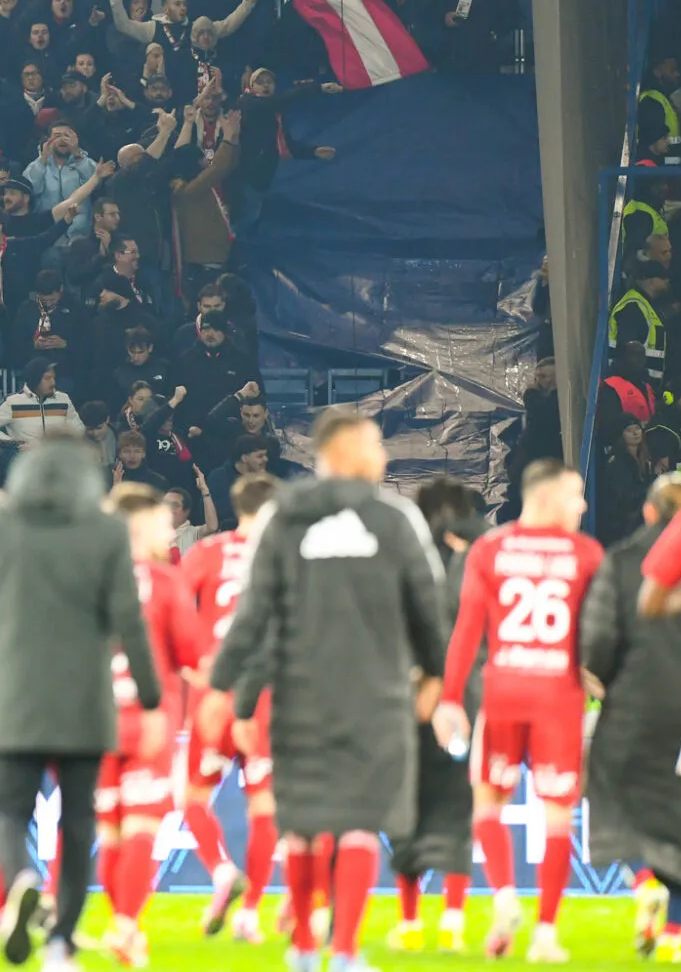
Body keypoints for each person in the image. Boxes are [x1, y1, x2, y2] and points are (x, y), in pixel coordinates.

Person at [201, 409, 451, 972]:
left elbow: (255, 614)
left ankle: (304, 948)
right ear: (341, 451)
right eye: (375, 444)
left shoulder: (283, 516)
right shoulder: (395, 518)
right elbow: (430, 609)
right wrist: (435, 678)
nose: (383, 455)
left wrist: (227, 692)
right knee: (360, 820)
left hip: (299, 695)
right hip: (378, 696)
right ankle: (345, 953)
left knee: (306, 820)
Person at [0, 436, 165, 967]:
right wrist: (151, 701)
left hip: (13, 688)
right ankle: (61, 940)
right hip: (86, 693)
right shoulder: (106, 531)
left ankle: (20, 880)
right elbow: (129, 620)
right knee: (78, 820)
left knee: (9, 809)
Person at [436, 459, 604, 962]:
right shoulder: (586, 552)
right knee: (558, 819)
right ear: (547, 496)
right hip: (559, 697)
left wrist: (449, 699)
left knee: (487, 803)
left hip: (503, 691)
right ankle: (546, 935)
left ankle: (505, 896)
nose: (582, 506)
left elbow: (466, 630)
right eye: (575, 495)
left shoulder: (490, 548)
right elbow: (599, 633)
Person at [586, 473, 681, 962]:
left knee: (614, 795)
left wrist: (603, 683)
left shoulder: (621, 561)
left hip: (636, 708)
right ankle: (678, 930)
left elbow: (598, 644)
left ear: (650, 512)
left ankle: (641, 880)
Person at [97, 483, 208, 967]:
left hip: (92, 717)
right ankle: (125, 925)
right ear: (139, 527)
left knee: (111, 832)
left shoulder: (86, 579)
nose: (170, 530)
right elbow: (193, 656)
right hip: (149, 719)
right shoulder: (163, 582)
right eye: (162, 522)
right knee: (141, 824)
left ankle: (122, 928)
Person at [177, 472, 282, 945]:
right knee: (265, 806)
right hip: (267, 697)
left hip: (213, 694)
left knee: (194, 798)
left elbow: (172, 606)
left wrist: (194, 666)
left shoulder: (208, 551)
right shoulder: (286, 559)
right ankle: (253, 913)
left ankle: (221, 870)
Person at [386, 475, 487, 955]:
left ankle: (409, 921)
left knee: (408, 805)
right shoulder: (481, 561)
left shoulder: (404, 560)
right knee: (455, 806)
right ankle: (453, 917)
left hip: (409, 699)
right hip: (466, 703)